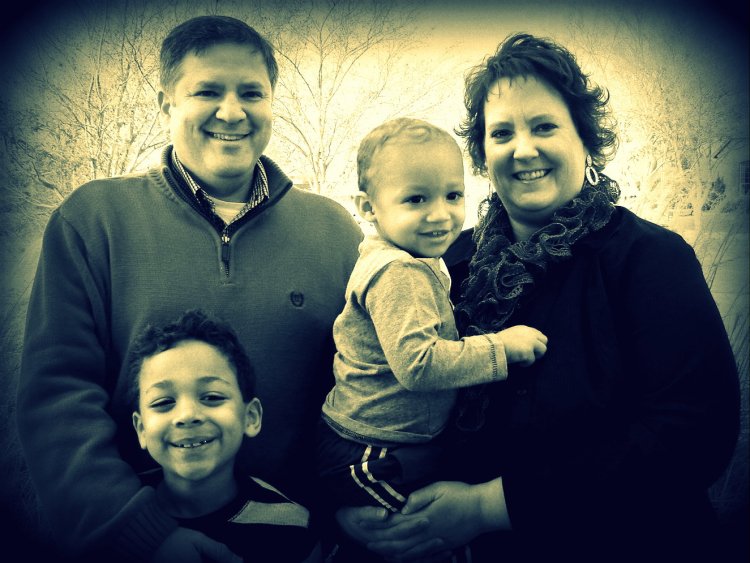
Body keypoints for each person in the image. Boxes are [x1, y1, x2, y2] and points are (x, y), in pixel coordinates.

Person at [333, 33, 740, 563]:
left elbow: (695, 434)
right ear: (483, 155)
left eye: (544, 126)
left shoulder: (648, 258)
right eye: (502, 133)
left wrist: (488, 506)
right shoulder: (441, 262)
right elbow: (357, 377)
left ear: (584, 139)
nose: (523, 149)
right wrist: (348, 505)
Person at [16, 15, 362, 562]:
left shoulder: (335, 231)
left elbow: (357, 393)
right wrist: (142, 535)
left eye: (252, 92)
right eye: (207, 91)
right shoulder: (94, 221)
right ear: (166, 104)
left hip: (296, 541)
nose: (233, 111)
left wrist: (347, 511)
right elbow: (58, 399)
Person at [316, 118, 547, 560]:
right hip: (368, 447)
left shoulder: (414, 255)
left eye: (453, 195)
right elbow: (419, 365)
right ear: (368, 208)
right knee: (415, 534)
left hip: (396, 439)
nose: (440, 214)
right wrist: (501, 348)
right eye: (416, 199)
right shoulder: (397, 272)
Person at [127, 310, 320, 563]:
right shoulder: (117, 513)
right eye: (163, 402)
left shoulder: (292, 527)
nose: (187, 415)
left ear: (250, 417)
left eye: (212, 397)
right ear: (141, 429)